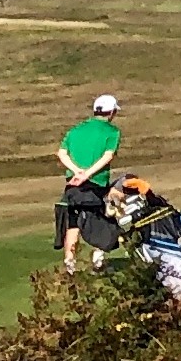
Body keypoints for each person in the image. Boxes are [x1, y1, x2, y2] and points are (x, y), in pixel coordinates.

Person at [56, 94, 123, 274]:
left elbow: (62, 153)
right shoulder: (112, 132)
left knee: (73, 224)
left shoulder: (76, 130)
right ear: (112, 112)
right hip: (96, 184)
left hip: (73, 185)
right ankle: (98, 261)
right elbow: (107, 156)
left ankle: (70, 264)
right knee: (102, 221)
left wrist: (77, 172)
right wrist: (87, 174)